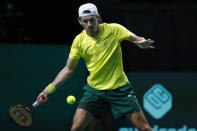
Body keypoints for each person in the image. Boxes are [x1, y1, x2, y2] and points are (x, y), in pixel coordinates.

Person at [36, 3, 155, 131]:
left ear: (98, 18)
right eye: (85, 21)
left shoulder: (114, 29)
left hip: (119, 89)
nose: (89, 25)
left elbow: (137, 38)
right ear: (79, 21)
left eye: (92, 20)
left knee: (144, 128)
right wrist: (47, 90)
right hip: (94, 91)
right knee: (76, 128)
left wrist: (141, 43)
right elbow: (68, 70)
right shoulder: (79, 41)